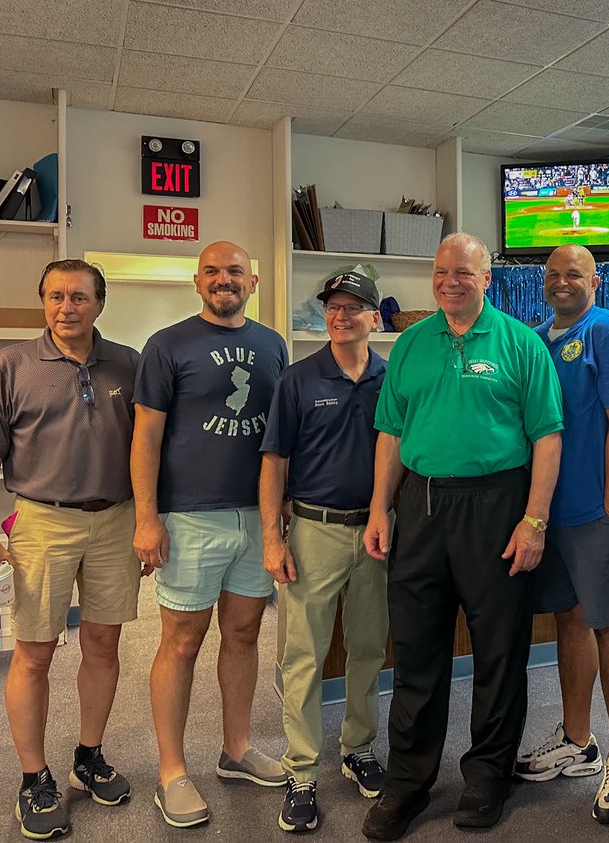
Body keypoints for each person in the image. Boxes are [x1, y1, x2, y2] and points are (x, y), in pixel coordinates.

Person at [360, 233, 563, 840]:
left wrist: (534, 520)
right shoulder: (411, 346)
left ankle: (486, 777)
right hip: (420, 506)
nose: (451, 281)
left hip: (496, 507)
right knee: (417, 651)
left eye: (464, 273)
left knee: (499, 651)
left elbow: (547, 437)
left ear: (487, 279)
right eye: (442, 271)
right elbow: (392, 433)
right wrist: (379, 508)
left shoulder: (521, 345)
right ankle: (408, 783)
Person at [0, 259, 140, 841]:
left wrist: (150, 519)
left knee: (104, 643)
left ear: (100, 303)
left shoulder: (128, 364)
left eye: (79, 297)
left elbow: (149, 445)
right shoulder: (11, 365)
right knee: (34, 653)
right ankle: (33, 777)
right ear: (43, 301)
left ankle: (88, 756)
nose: (67, 307)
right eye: (56, 297)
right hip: (43, 522)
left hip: (116, 521)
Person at [131, 240, 289, 829]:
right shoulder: (168, 345)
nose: (225, 279)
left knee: (244, 633)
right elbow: (145, 437)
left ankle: (237, 749)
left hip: (257, 514)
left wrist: (281, 512)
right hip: (190, 517)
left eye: (235, 272)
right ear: (197, 281)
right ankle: (172, 771)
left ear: (251, 282)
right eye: (213, 271)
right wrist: (147, 518)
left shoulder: (273, 345)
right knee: (181, 641)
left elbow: (279, 435)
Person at [516, 245, 609, 824]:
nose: (562, 282)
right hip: (550, 511)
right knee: (570, 619)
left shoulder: (608, 332)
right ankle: (579, 739)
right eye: (552, 275)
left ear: (597, 280)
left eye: (574, 273)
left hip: (597, 512)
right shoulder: (539, 337)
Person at [259, 271, 389, 833]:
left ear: (374, 317)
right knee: (304, 655)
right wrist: (272, 535)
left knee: (367, 649)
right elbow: (274, 463)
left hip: (379, 533)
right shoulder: (297, 380)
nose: (341, 316)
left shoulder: (393, 377)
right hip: (313, 529)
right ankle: (302, 772)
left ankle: (358, 747)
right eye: (333, 307)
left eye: (354, 307)